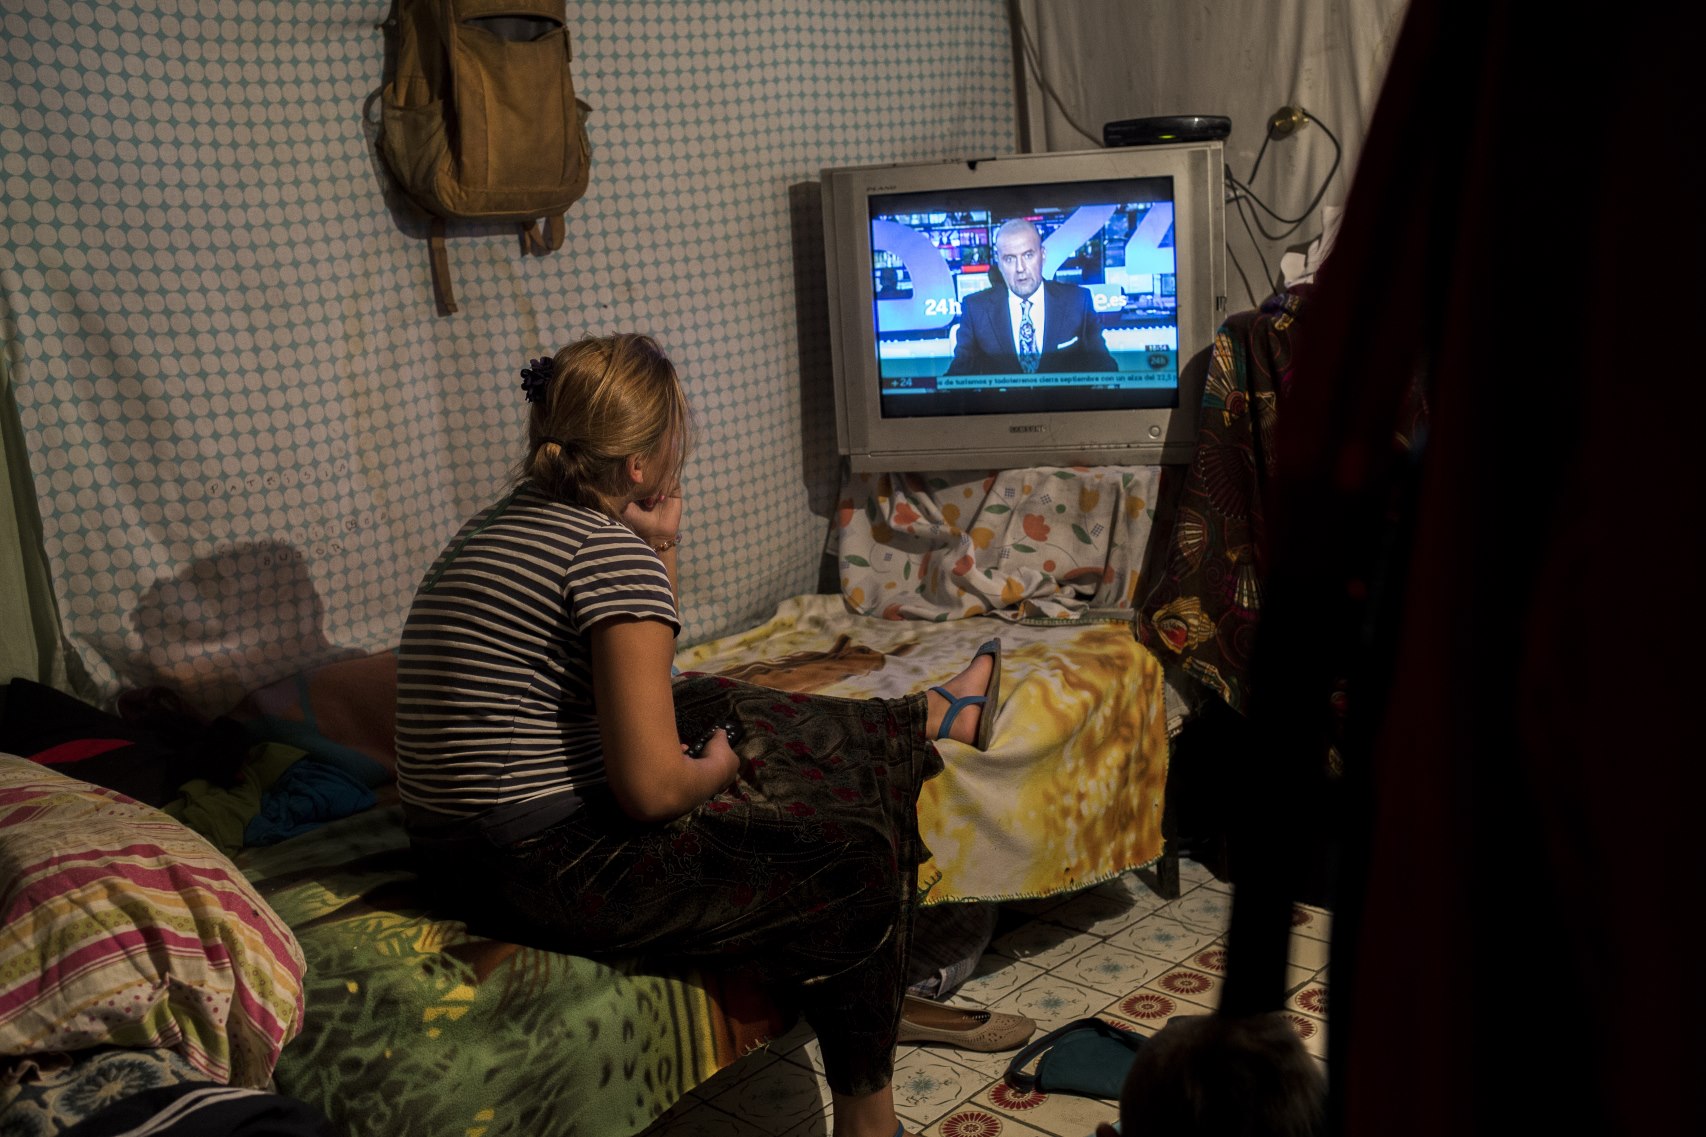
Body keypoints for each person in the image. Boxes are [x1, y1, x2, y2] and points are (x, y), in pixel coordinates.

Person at [393, 333, 1019, 1137]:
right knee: (854, 865)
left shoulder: (497, 526)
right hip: (533, 862)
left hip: (452, 850)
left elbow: (649, 680)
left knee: (716, 699)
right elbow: (653, 789)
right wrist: (718, 768)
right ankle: (872, 1125)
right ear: (640, 465)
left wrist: (660, 546)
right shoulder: (604, 553)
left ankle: (929, 715)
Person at [944, 219, 1119, 376]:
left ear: (1043, 255)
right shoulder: (976, 309)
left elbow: (1105, 366)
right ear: (999, 262)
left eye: (1028, 255)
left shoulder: (1078, 301)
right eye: (1010, 259)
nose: (1020, 268)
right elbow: (959, 374)